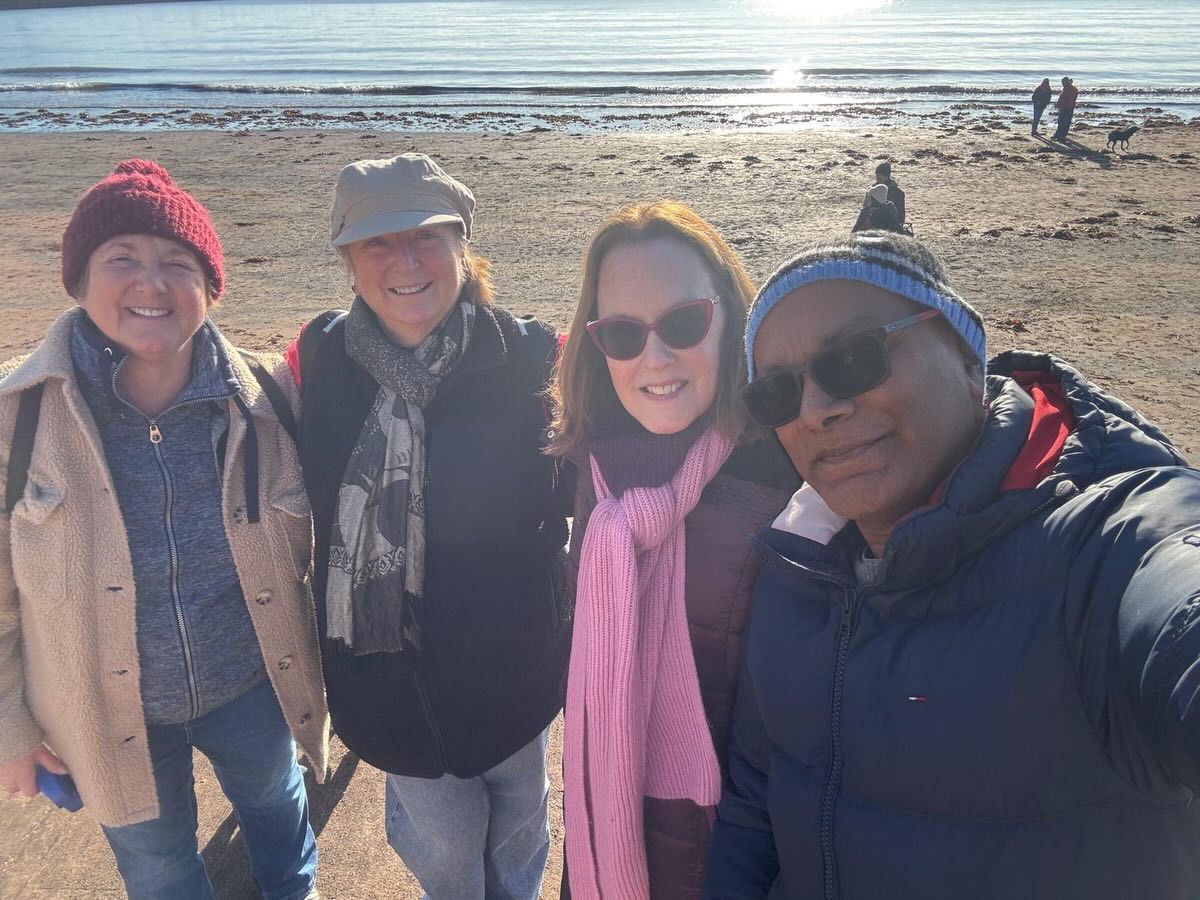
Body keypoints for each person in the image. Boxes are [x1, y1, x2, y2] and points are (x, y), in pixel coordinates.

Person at [702, 230, 1200, 899]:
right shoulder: (794, 571)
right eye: (779, 394)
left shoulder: (1101, 549)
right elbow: (755, 801)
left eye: (855, 358)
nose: (818, 410)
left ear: (969, 356)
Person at [0, 160, 328, 900]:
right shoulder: (16, 416)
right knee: (158, 870)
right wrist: (11, 728)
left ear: (210, 290)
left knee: (278, 809)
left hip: (250, 684)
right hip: (108, 710)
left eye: (177, 263)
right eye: (121, 260)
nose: (151, 283)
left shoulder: (269, 399)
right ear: (79, 282)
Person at [284, 154, 570, 900]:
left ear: (461, 249)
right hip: (387, 682)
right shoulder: (318, 363)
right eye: (378, 243)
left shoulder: (530, 357)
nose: (405, 260)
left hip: (514, 664)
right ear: (349, 262)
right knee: (446, 849)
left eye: (427, 237)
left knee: (519, 824)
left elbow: (591, 475)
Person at [549, 200, 799, 899]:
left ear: (730, 318)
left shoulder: (790, 466)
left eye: (684, 323)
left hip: (746, 845)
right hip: (608, 822)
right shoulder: (596, 467)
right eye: (622, 334)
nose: (653, 358)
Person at [1054, 75, 1079, 140]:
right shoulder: (1071, 88)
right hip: (1068, 106)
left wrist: (1060, 105)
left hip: (1066, 107)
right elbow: (1073, 98)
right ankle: (1060, 134)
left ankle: (1060, 135)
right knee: (1065, 121)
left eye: (1063, 82)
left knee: (1063, 121)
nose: (1062, 84)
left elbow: (1066, 99)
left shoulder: (1068, 89)